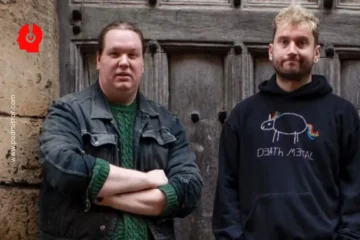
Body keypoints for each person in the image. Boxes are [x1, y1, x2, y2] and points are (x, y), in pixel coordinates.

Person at [38, 21, 203, 240]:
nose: (124, 62)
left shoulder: (166, 122)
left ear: (143, 63)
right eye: (114, 53)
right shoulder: (68, 112)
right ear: (99, 60)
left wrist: (106, 195)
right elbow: (66, 168)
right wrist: (150, 180)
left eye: (132, 55)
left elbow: (189, 188)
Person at [212, 5, 360, 240]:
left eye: (302, 43)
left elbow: (355, 191)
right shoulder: (243, 116)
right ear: (271, 51)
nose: (292, 50)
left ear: (317, 52)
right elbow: (227, 192)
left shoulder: (342, 115)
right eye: (284, 42)